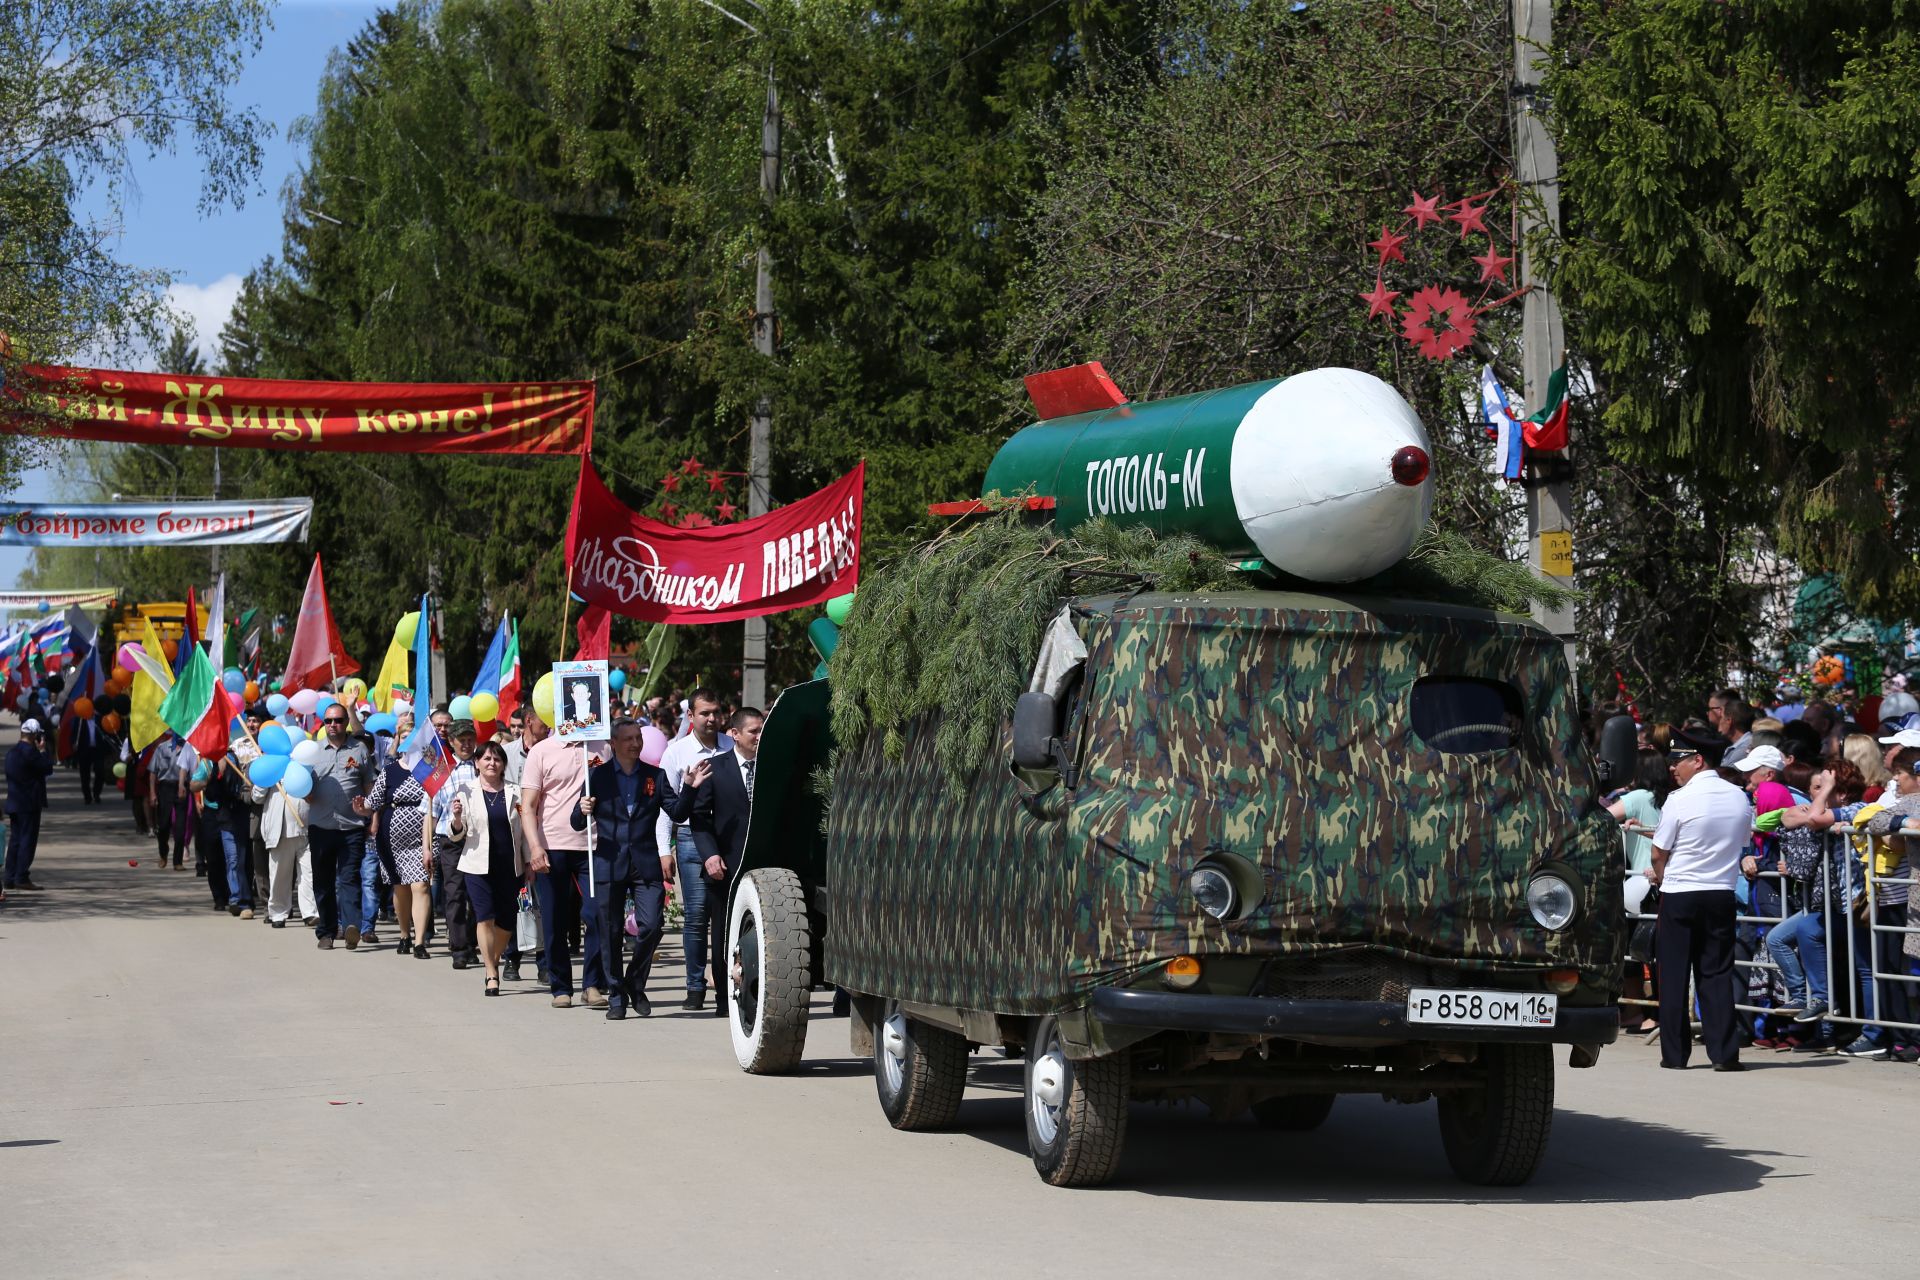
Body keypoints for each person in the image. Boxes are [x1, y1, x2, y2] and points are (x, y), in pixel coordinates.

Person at [573, 720, 708, 1019]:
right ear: (614, 742)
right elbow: (576, 822)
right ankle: (616, 996)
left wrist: (689, 789)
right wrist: (582, 809)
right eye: (628, 739)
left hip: (645, 863)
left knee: (651, 926)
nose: (635, 744)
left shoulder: (655, 776)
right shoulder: (597, 775)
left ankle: (635, 981)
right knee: (610, 931)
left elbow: (678, 812)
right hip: (609, 861)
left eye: (638, 738)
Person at [1647, 725, 1750, 1071]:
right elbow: (1741, 843)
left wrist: (1662, 879)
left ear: (1698, 761)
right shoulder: (1739, 796)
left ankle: (1674, 1055)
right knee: (1717, 973)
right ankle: (1724, 1054)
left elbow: (1659, 852)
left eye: (1678, 761)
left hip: (1681, 893)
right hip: (1721, 892)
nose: (1672, 768)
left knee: (1674, 974)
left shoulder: (1679, 799)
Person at [657, 687, 733, 1011]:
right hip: (689, 839)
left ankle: (726, 986)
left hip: (727, 838)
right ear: (690, 716)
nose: (711, 718)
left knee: (727, 917)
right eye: (704, 713)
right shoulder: (676, 753)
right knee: (697, 916)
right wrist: (664, 849)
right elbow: (666, 807)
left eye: (716, 712)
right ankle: (694, 986)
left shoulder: (732, 747)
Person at [522, 720, 606, 1008]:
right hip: (552, 845)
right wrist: (534, 847)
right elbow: (529, 806)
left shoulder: (601, 747)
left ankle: (593, 983)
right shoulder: (542, 751)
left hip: (594, 847)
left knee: (597, 914)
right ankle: (561, 986)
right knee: (555, 918)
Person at [687, 706, 763, 1017]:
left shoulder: (772, 765)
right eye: (753, 731)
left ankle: (759, 996)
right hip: (725, 868)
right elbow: (699, 818)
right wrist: (710, 855)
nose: (759, 737)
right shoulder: (715, 769)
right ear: (734, 733)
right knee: (723, 934)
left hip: (764, 866)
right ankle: (724, 998)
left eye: (762, 730)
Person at [447, 740, 526, 995]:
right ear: (477, 763)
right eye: (487, 759)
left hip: (510, 865)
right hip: (477, 865)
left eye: (497, 759)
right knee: (484, 916)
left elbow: (525, 831)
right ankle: (491, 972)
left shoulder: (516, 791)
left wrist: (530, 861)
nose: (492, 763)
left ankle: (492, 957)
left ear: (503, 764)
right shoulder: (465, 791)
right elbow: (457, 834)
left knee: (506, 921)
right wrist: (457, 819)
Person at [357, 709, 433, 958]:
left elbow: (436, 800)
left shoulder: (429, 768)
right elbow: (373, 801)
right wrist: (362, 808)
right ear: (398, 741)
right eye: (404, 736)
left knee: (421, 885)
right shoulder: (389, 770)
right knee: (400, 887)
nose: (408, 741)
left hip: (421, 834)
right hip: (392, 837)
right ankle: (404, 934)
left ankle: (420, 941)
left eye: (413, 736)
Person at [1607, 749, 1671, 1033]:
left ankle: (1639, 1012)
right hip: (1665, 882)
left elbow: (1603, 818)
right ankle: (1656, 1011)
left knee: (1634, 952)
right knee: (1656, 953)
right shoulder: (1672, 798)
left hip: (1640, 884)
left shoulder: (1637, 797)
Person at [307, 699, 373, 950]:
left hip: (351, 827)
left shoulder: (359, 750)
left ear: (346, 723)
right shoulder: (312, 751)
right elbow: (303, 786)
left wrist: (371, 814)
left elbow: (369, 785)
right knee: (323, 882)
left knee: (349, 879)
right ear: (323, 724)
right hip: (320, 827)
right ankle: (326, 931)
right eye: (328, 721)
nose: (333, 725)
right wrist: (304, 793)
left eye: (338, 720)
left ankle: (351, 926)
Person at [500, 706, 549, 984]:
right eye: (545, 721)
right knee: (516, 900)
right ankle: (512, 958)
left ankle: (545, 963)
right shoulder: (506, 754)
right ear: (529, 721)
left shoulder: (553, 750)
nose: (549, 726)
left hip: (543, 836)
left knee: (542, 902)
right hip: (513, 838)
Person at [429, 715, 482, 970]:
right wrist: (426, 847)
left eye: (471, 739)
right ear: (451, 741)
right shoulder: (442, 770)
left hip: (479, 837)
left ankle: (473, 941)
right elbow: (431, 811)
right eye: (462, 740)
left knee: (478, 893)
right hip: (450, 838)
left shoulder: (483, 765)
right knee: (455, 893)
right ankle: (459, 947)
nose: (467, 744)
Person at [252, 770, 314, 929]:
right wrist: (264, 777)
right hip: (280, 832)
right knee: (280, 875)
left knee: (309, 873)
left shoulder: (302, 762)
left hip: (306, 828)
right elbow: (257, 797)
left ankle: (310, 913)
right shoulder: (272, 766)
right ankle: (278, 913)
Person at [3, 718, 56, 893]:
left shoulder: (11, 753)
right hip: (29, 803)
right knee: (27, 840)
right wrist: (42, 751)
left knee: (15, 840)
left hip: (15, 803)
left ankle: (9, 877)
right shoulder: (31, 753)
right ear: (35, 735)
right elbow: (48, 768)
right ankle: (21, 876)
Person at [149, 731, 191, 871]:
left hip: (182, 788)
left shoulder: (189, 748)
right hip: (165, 787)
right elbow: (153, 772)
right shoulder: (162, 748)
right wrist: (152, 793)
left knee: (180, 827)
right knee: (163, 825)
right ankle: (163, 854)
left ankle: (177, 861)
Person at [1707, 690, 1755, 766]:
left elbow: (1726, 775)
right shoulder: (1737, 745)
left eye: (1722, 717)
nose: (1707, 713)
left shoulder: (1742, 750)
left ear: (1729, 721)